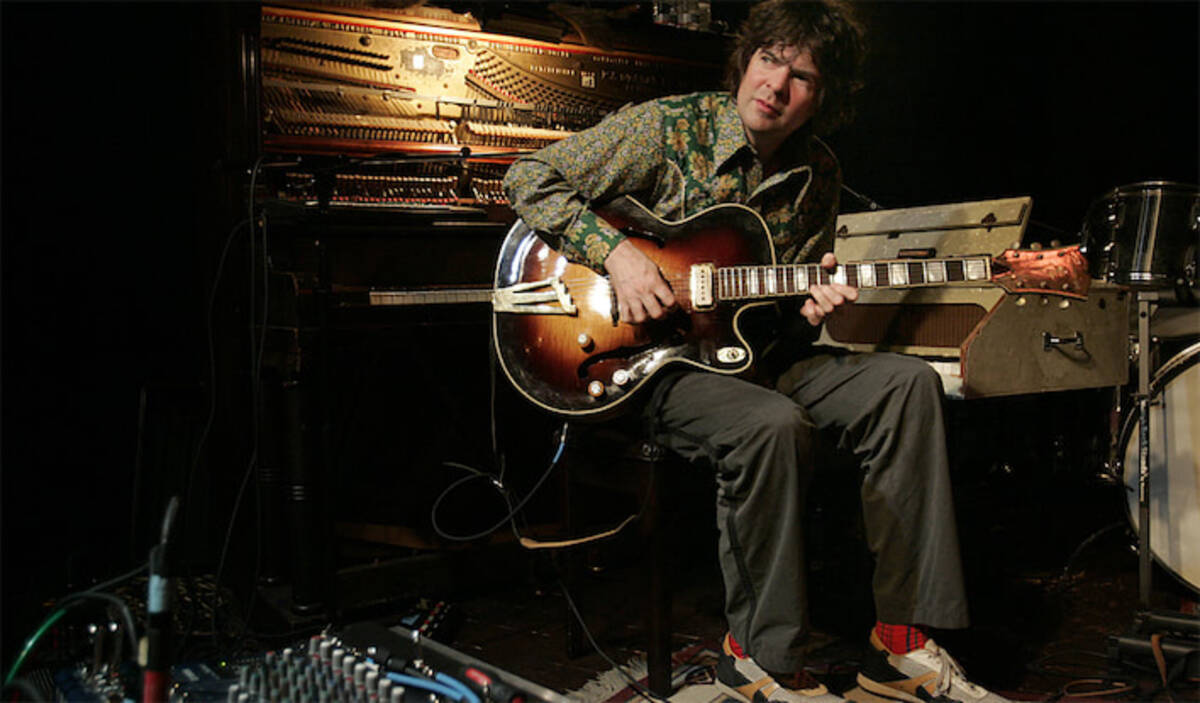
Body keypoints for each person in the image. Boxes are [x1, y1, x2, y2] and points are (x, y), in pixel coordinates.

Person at [503, 2, 1010, 701]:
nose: (776, 84)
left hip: (749, 360)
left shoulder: (818, 174)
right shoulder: (668, 128)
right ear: (746, 60)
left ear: (823, 98)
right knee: (771, 424)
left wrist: (812, 311)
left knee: (907, 384)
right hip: (651, 365)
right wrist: (618, 255)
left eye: (802, 76)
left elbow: (779, 332)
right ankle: (760, 661)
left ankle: (899, 645)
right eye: (769, 59)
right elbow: (529, 176)